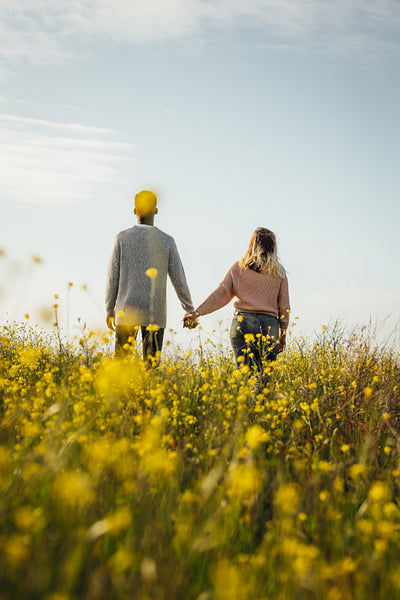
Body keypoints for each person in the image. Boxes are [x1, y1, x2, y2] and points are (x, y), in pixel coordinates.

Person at [183, 227, 290, 387]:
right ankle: (260, 410)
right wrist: (283, 332)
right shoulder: (279, 273)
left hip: (242, 324)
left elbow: (221, 294)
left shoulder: (239, 267)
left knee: (244, 377)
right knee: (264, 379)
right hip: (268, 326)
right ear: (273, 247)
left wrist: (197, 313)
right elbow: (284, 306)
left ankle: (243, 411)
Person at [106, 190, 194, 364]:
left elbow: (112, 278)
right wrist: (189, 309)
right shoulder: (167, 241)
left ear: (134, 210)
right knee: (151, 369)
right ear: (156, 211)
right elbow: (179, 279)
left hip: (126, 311)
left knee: (121, 367)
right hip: (155, 312)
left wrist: (110, 310)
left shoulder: (121, 238)